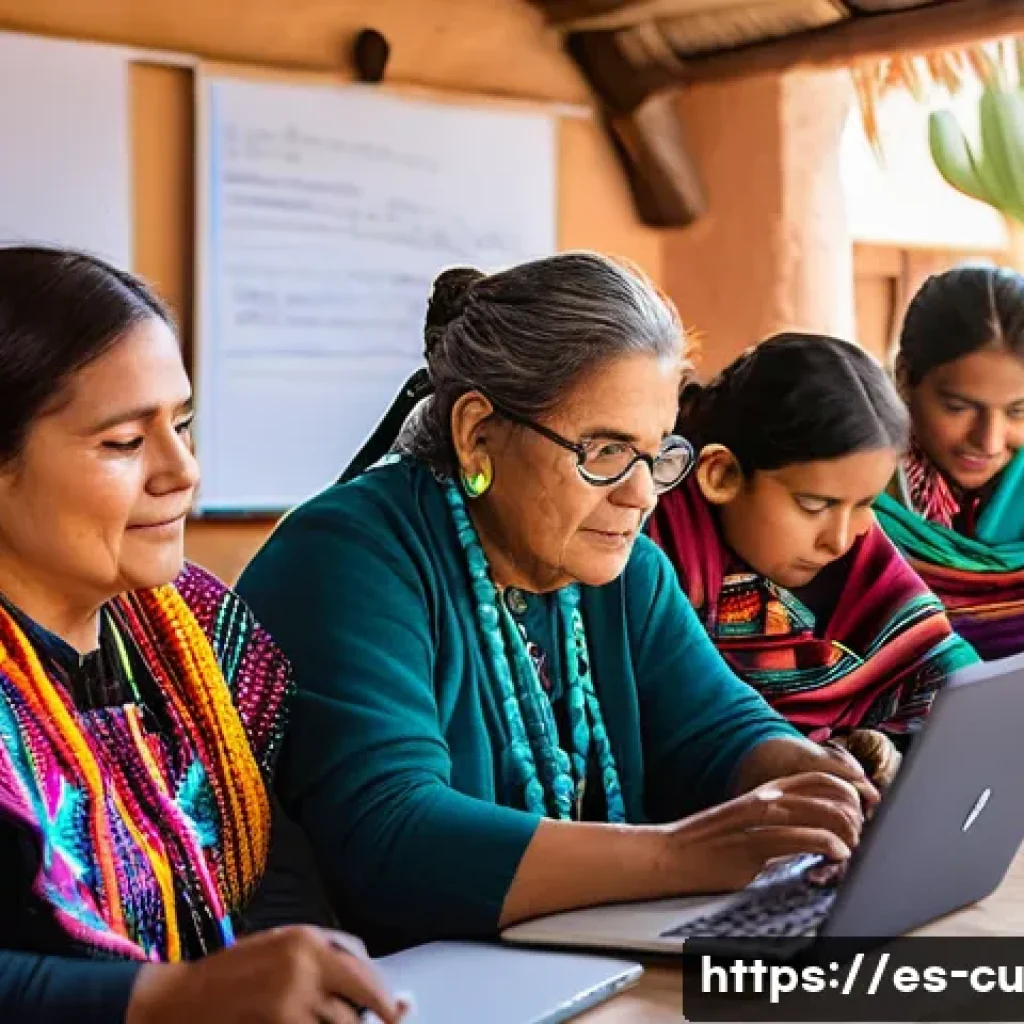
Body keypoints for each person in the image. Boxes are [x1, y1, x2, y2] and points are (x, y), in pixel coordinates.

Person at [236, 252, 878, 956]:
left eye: (656, 454)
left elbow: (715, 728)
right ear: (478, 433)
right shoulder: (350, 557)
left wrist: (802, 776)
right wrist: (677, 855)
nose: (639, 494)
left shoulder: (622, 569)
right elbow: (392, 838)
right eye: (604, 450)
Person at [0, 248, 405, 1024]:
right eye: (124, 443)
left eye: (183, 424)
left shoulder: (197, 631)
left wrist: (313, 975)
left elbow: (270, 865)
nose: (182, 471)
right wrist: (176, 998)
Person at [647, 334, 977, 789]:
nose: (840, 539)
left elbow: (962, 688)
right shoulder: (654, 559)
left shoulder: (861, 554)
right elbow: (679, 734)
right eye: (813, 505)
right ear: (721, 474)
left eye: (866, 503)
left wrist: (890, 745)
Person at [874, 266, 1024, 660]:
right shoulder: (851, 497)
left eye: (1018, 412)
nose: (989, 441)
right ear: (905, 378)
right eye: (958, 408)